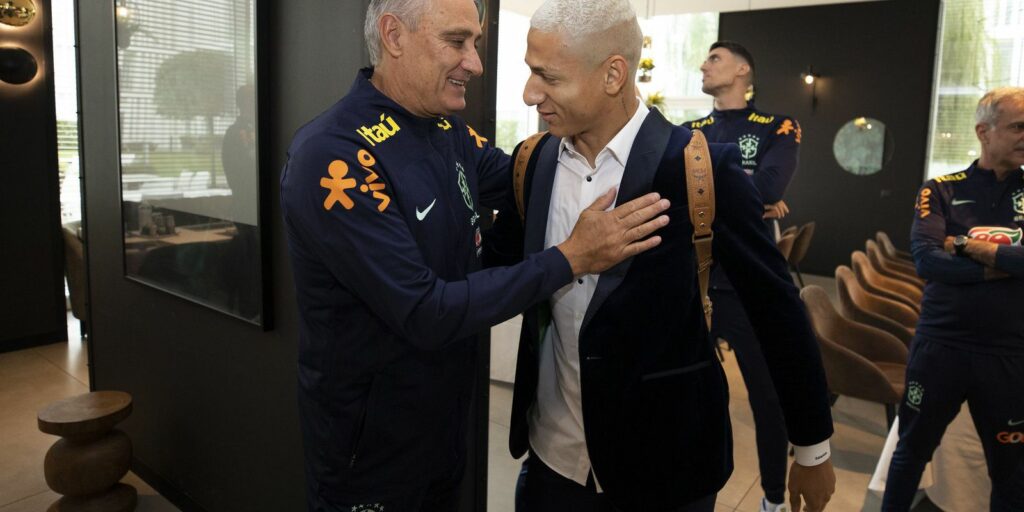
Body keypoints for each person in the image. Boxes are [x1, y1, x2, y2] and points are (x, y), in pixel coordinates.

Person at [279, 0, 671, 510]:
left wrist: (606, 144)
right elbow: (426, 311)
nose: (475, 63)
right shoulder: (335, 155)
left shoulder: (446, 130)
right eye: (457, 41)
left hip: (443, 429)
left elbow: (526, 178)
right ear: (394, 36)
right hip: (370, 454)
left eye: (476, 45)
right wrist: (571, 257)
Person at [485, 1, 836, 510]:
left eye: (548, 76)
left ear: (612, 75)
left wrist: (811, 447)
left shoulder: (700, 170)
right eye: (530, 72)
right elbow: (494, 273)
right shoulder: (531, 162)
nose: (529, 93)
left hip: (666, 468)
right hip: (551, 463)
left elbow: (776, 309)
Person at [882, 87, 1024, 511]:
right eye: (1018, 126)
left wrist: (974, 247)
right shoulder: (940, 189)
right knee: (909, 455)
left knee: (1012, 472)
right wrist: (1008, 267)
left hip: (1010, 356)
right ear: (984, 131)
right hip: (940, 348)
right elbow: (927, 261)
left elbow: (947, 255)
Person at [684, 41, 803, 512]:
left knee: (767, 398)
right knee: (688, 391)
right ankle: (686, 489)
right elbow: (668, 189)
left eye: (714, 58)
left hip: (749, 284)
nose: (703, 64)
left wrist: (705, 192)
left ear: (742, 69)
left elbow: (772, 185)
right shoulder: (690, 130)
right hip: (696, 278)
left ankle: (773, 498)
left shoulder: (778, 125)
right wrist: (747, 198)